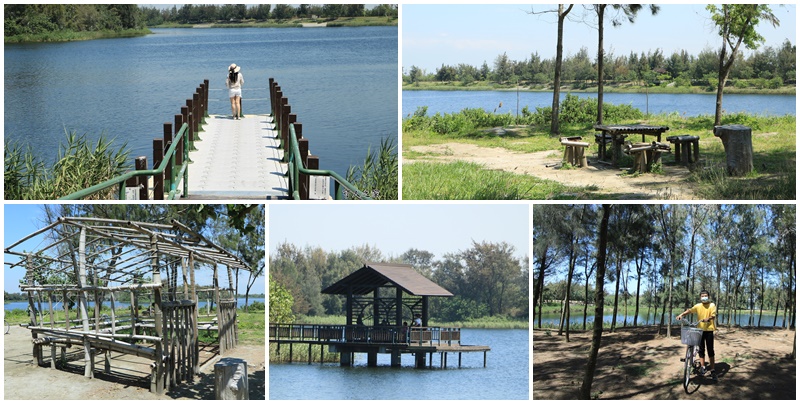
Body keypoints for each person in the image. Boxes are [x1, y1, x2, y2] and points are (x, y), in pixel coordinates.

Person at [676, 290, 718, 381]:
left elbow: (713, 315)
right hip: (700, 331)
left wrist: (708, 318)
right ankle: (703, 367)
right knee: (701, 349)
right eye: (702, 296)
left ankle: (712, 370)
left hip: (709, 330)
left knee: (710, 349)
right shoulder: (698, 306)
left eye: (705, 295)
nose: (704, 297)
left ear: (708, 296)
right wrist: (681, 314)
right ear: (700, 297)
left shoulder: (712, 305)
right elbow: (690, 310)